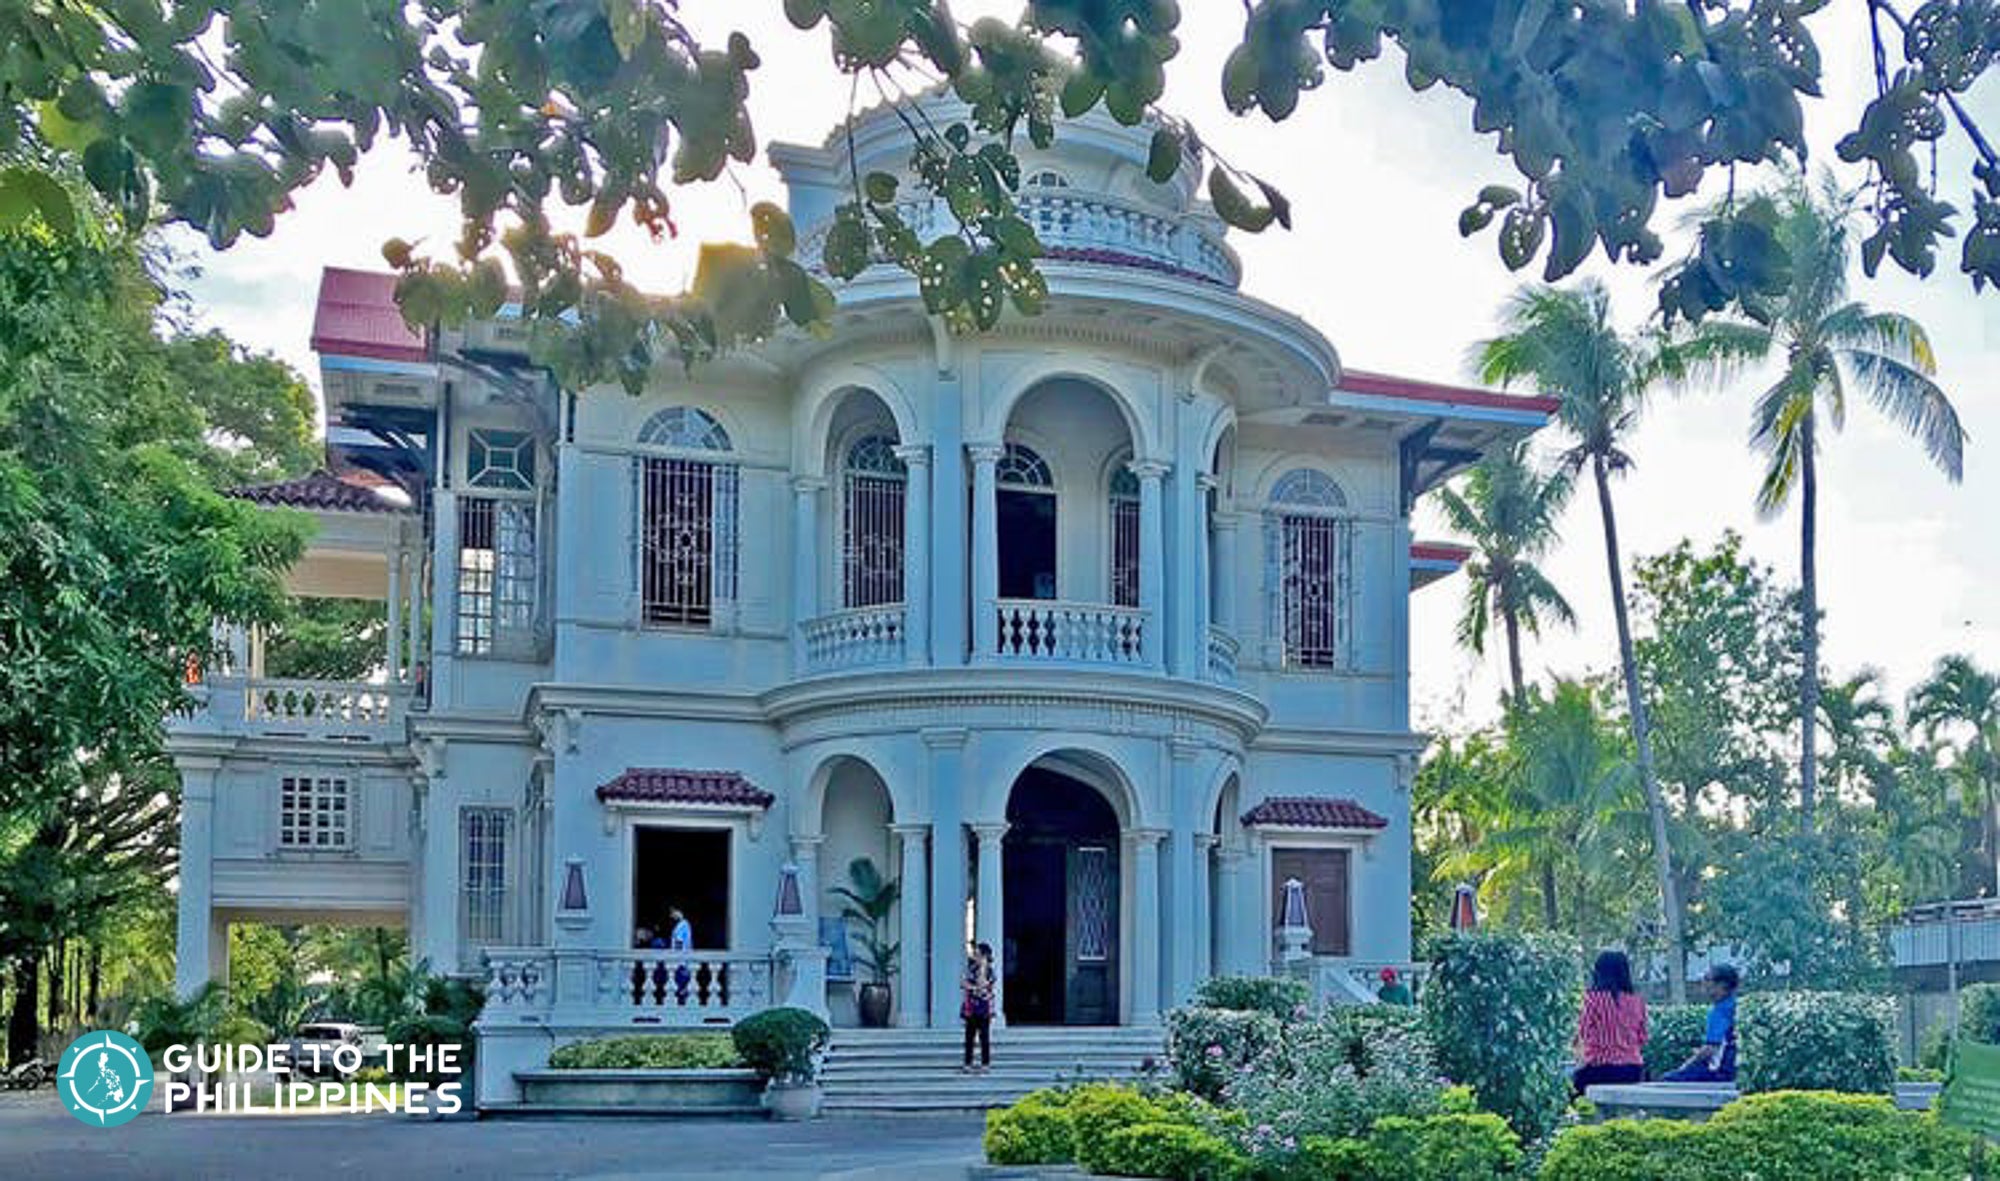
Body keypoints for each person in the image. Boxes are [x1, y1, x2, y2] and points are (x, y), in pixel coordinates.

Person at [1571, 950, 1648, 1095]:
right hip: (1633, 1069)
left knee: (1574, 1098)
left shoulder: (1591, 1000)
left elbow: (1582, 1034)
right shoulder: (1638, 1001)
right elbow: (1642, 1039)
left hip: (1600, 1069)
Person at [1663, 963, 1740, 1083]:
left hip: (1720, 1071)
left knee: (1669, 1079)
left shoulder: (1721, 1011)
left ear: (1722, 984)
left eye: (1707, 979)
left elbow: (1710, 1049)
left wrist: (1684, 1066)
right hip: (1736, 1069)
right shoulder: (1736, 1006)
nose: (1703, 984)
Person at [961, 942, 996, 1073]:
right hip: (971, 1006)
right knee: (969, 1036)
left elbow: (983, 984)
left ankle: (985, 1064)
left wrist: (983, 967)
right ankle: (968, 1063)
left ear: (984, 955)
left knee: (984, 1036)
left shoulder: (990, 971)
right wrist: (974, 987)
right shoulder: (971, 969)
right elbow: (963, 983)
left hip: (984, 1007)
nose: (975, 956)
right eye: (975, 954)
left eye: (978, 954)